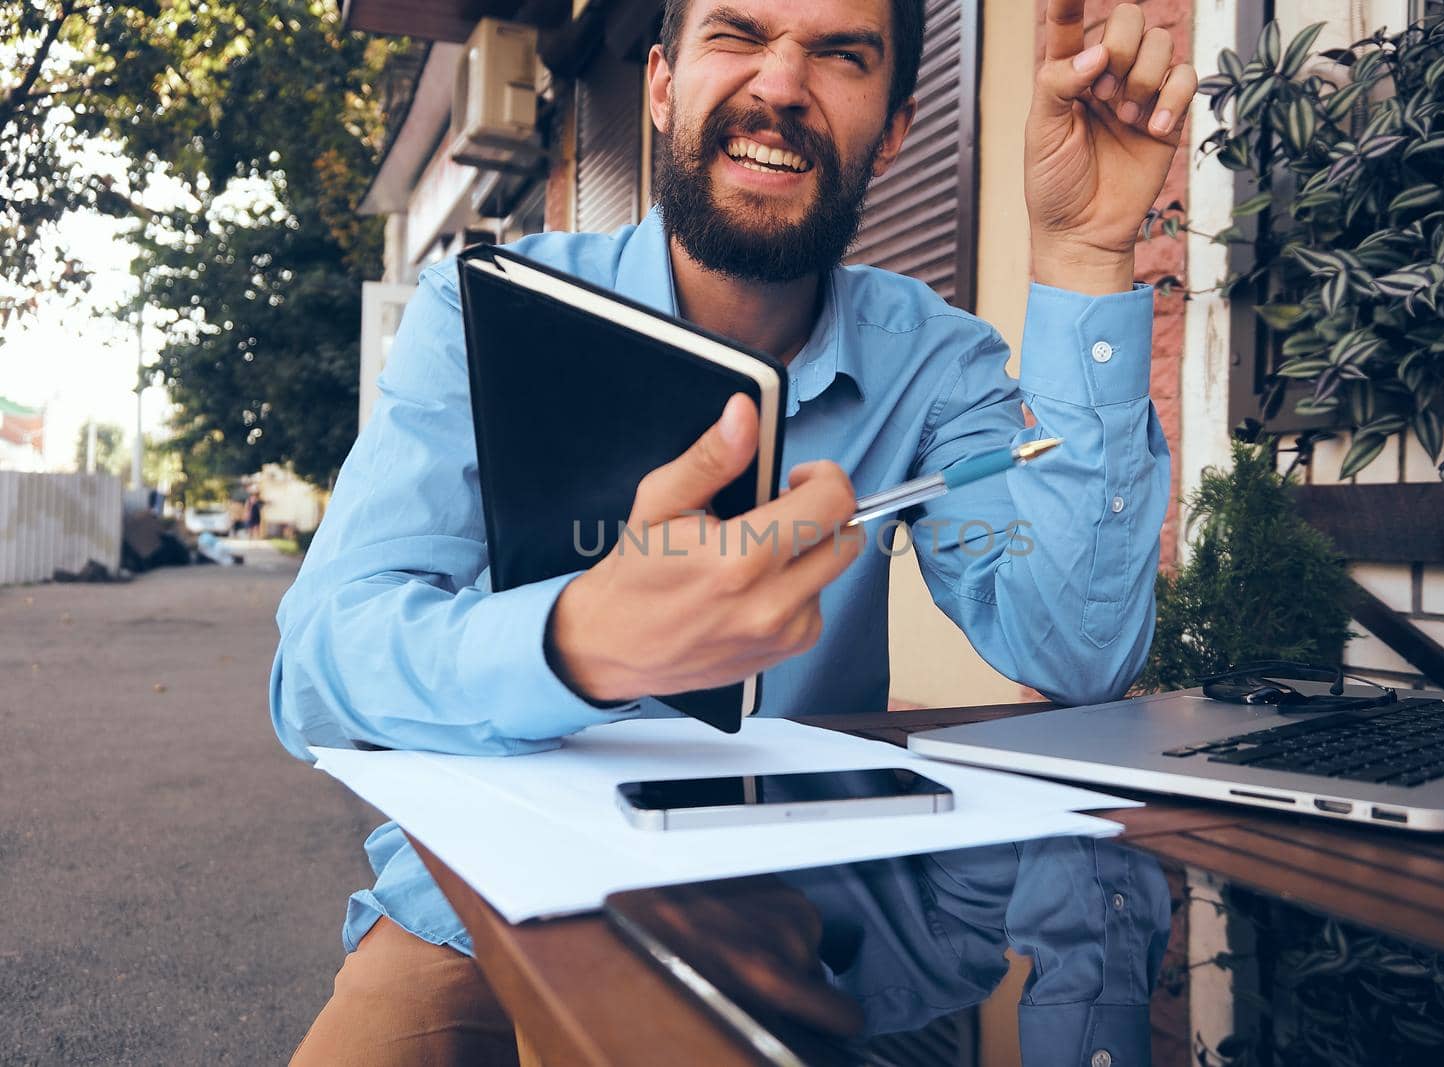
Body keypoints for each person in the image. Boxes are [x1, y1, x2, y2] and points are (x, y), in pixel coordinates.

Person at [272, 0, 1196, 1062]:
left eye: (840, 54)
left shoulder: (936, 365)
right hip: (470, 907)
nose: (781, 84)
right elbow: (319, 674)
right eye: (739, 35)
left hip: (823, 919)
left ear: (895, 129)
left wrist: (1083, 252)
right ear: (661, 84)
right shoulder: (475, 314)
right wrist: (575, 638)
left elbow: (1076, 656)